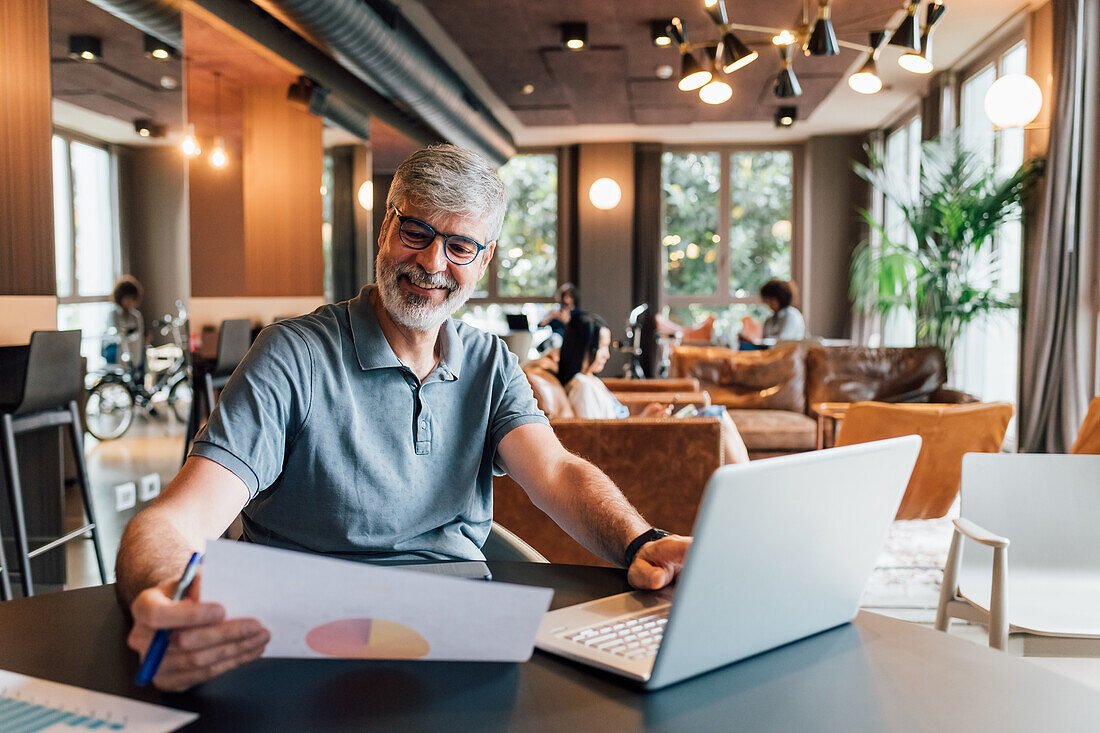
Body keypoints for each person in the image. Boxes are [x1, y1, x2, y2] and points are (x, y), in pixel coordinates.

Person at [116, 144, 692, 692]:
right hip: (304, 638)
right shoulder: (295, 354)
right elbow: (174, 521)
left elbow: (557, 473)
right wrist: (166, 597)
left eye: (460, 246)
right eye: (416, 231)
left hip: (460, 630)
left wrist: (640, 540)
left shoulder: (489, 362)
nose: (431, 263)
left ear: (484, 259)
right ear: (386, 228)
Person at [558, 311, 749, 464]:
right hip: (638, 443)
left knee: (716, 415)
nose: (607, 355)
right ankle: (747, 484)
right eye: (602, 347)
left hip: (637, 435)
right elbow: (598, 438)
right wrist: (644, 423)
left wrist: (645, 416)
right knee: (715, 418)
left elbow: (610, 426)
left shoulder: (589, 379)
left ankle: (745, 480)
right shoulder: (582, 387)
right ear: (584, 348)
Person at [739, 279, 806, 347]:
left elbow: (783, 341)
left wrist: (757, 341)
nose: (768, 303)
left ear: (780, 297)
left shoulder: (791, 315)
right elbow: (764, 341)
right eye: (766, 300)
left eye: (771, 299)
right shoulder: (770, 319)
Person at [109, 276, 146, 380]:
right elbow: (114, 334)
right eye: (127, 298)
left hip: (134, 354)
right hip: (118, 355)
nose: (129, 301)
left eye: (132, 298)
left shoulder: (136, 316)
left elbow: (139, 334)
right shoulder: (114, 314)